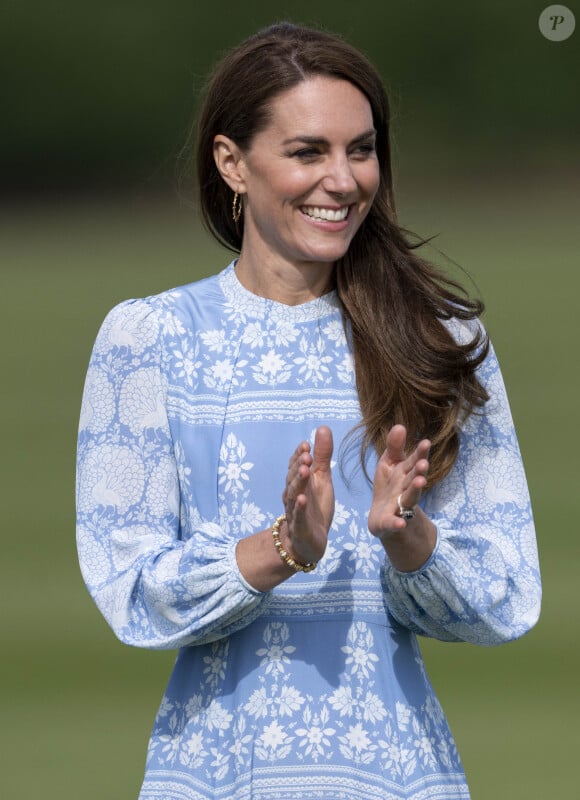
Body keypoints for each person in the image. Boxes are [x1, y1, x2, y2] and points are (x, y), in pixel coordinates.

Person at [76, 22, 541, 800]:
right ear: (232, 162)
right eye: (307, 152)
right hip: (215, 775)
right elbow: (132, 593)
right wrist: (283, 548)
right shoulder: (149, 338)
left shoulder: (441, 338)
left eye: (361, 150)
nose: (344, 179)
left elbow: (506, 596)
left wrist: (411, 539)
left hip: (397, 774)